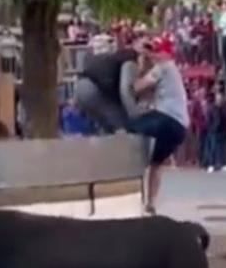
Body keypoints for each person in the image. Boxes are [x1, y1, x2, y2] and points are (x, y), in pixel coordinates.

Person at [124, 38, 189, 214]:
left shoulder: (164, 68)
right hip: (180, 127)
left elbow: (137, 88)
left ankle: (126, 181)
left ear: (165, 54)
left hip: (166, 119)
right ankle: (150, 204)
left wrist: (140, 61)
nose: (153, 56)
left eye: (156, 52)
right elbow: (149, 96)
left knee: (129, 127)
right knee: (156, 164)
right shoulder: (173, 71)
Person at [73, 39, 142, 133]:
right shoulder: (129, 63)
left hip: (80, 88)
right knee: (121, 125)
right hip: (94, 92)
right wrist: (135, 116)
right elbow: (125, 90)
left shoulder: (107, 58)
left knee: (105, 125)